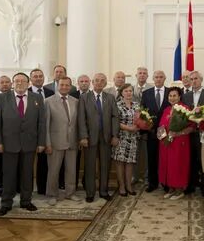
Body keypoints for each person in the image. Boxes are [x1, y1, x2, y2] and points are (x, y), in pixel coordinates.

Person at [0, 72, 46, 216]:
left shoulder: (37, 98)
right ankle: (6, 203)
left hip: (30, 143)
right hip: (9, 143)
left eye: (23, 81)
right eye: (17, 81)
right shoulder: (2, 97)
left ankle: (26, 201)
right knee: (9, 174)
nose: (20, 83)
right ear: (12, 83)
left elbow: (41, 122)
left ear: (28, 83)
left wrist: (41, 142)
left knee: (27, 174)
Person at [78, 73, 120, 202]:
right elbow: (81, 118)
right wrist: (83, 136)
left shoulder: (110, 98)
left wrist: (115, 135)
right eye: (97, 80)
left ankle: (103, 191)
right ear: (92, 82)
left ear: (106, 83)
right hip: (90, 137)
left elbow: (115, 117)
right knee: (90, 166)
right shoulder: (84, 98)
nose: (99, 83)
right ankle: (90, 193)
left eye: (102, 81)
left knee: (105, 165)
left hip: (106, 137)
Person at [45, 77, 80, 205]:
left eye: (67, 85)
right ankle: (52, 194)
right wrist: (47, 143)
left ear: (70, 87)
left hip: (72, 141)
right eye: (62, 85)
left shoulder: (75, 101)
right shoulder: (48, 101)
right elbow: (46, 125)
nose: (64, 87)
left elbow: (76, 123)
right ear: (57, 86)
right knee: (54, 170)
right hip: (55, 142)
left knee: (71, 169)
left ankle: (70, 193)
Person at [158, 86, 193, 200]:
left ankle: (179, 190)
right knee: (167, 164)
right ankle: (171, 188)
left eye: (175, 96)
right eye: (170, 96)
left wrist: (178, 133)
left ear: (179, 97)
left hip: (180, 142)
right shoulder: (166, 110)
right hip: (166, 143)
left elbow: (192, 127)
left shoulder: (185, 109)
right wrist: (162, 136)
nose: (172, 98)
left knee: (178, 164)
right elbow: (161, 125)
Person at [182, 71, 204, 195]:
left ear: (201, 80)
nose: (193, 81)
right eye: (191, 79)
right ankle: (191, 185)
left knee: (203, 159)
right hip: (190, 133)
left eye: (196, 78)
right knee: (190, 159)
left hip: (203, 132)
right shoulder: (186, 96)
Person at [141, 70, 170, 192]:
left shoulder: (171, 92)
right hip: (151, 132)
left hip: (167, 133)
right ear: (153, 79)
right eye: (156, 77)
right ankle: (152, 183)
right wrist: (146, 129)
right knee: (152, 158)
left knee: (166, 158)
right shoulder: (146, 93)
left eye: (161, 77)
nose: (158, 79)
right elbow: (143, 112)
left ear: (165, 78)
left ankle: (166, 183)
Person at [112, 84, 139, 196]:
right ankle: (122, 186)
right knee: (120, 163)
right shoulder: (117, 105)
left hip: (133, 138)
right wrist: (129, 128)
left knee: (130, 163)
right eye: (126, 91)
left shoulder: (137, 105)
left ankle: (129, 185)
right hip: (121, 137)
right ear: (121, 92)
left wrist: (139, 126)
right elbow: (114, 122)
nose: (129, 93)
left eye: (130, 91)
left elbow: (141, 120)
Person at [29, 68, 53, 195]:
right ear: (31, 79)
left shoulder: (51, 92)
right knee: (27, 163)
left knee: (44, 162)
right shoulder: (25, 92)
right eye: (35, 76)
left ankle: (42, 188)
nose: (38, 78)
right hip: (29, 133)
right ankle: (25, 188)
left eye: (40, 76)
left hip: (45, 131)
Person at [133, 66, 153, 184]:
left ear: (147, 76)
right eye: (140, 73)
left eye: (144, 73)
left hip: (147, 127)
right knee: (134, 153)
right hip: (133, 127)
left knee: (146, 154)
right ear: (136, 75)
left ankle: (146, 176)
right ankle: (134, 176)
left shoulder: (151, 88)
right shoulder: (130, 89)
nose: (142, 75)